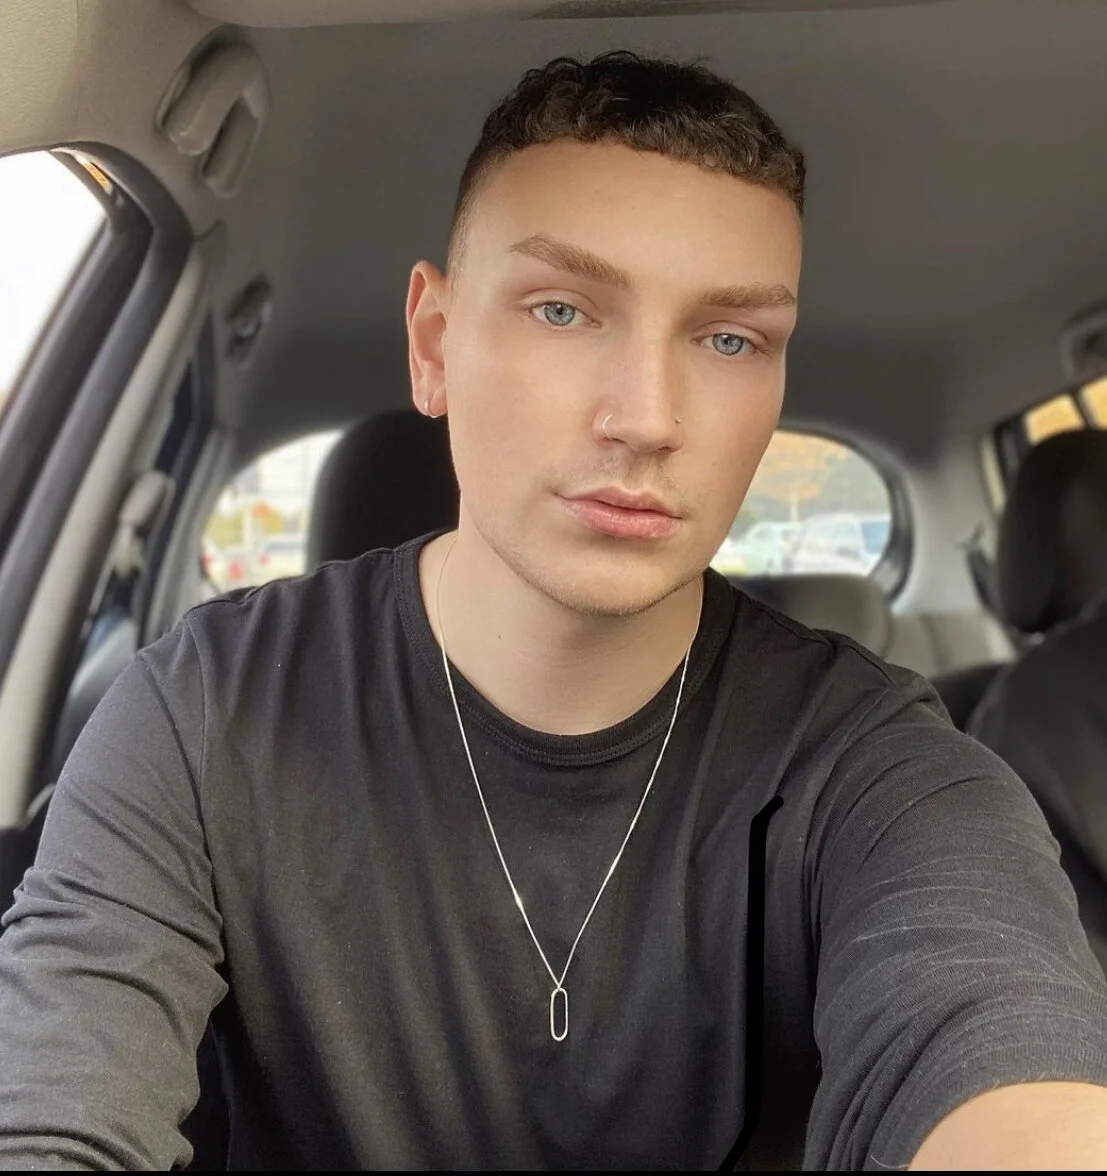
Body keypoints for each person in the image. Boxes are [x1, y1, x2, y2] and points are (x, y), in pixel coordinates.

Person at [2, 50, 1107, 1172]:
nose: (647, 417)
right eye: (564, 308)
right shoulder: (202, 715)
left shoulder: (875, 764)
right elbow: (51, 1110)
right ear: (434, 344)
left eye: (729, 338)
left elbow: (1002, 1053)